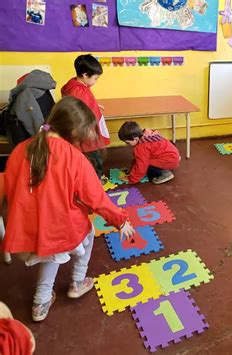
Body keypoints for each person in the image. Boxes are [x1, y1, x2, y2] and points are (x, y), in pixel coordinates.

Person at [1, 97, 134, 322]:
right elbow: (97, 200)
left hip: (24, 232)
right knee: (86, 234)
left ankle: (41, 302)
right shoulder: (74, 158)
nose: (90, 136)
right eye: (87, 130)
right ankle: (77, 281)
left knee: (52, 254)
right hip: (60, 230)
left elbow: (9, 187)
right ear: (74, 131)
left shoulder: (21, 149)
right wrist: (121, 221)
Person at [61, 54, 110, 179]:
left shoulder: (75, 85)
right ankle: (95, 181)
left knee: (91, 156)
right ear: (85, 75)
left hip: (85, 128)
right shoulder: (79, 91)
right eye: (95, 78)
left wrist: (94, 104)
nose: (95, 81)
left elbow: (80, 104)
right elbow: (78, 113)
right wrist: (88, 130)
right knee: (94, 158)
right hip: (86, 131)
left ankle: (91, 178)